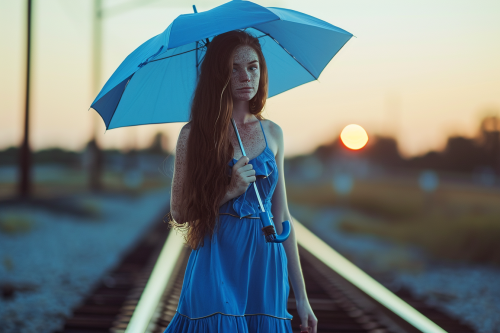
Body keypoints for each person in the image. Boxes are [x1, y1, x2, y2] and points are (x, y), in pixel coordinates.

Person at [165, 30, 318, 333]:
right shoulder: (193, 135)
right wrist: (230, 190)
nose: (245, 76)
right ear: (218, 76)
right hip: (216, 260)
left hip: (265, 266)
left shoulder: (273, 133)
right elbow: (180, 212)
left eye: (253, 67)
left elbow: (283, 217)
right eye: (233, 68)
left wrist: (302, 298)